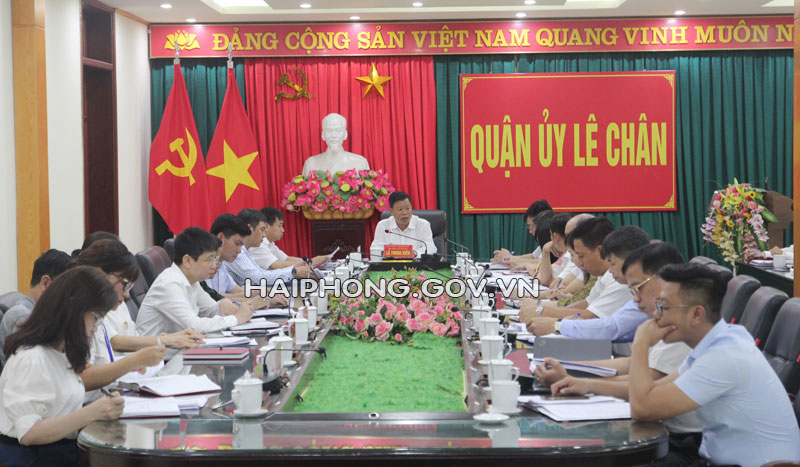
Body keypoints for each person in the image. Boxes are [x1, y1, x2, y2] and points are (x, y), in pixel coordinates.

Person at [628, 263, 800, 466]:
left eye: (664, 307)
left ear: (696, 314)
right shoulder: (722, 339)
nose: (656, 316)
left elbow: (643, 408)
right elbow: (655, 390)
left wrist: (640, 344)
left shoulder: (724, 357)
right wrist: (593, 385)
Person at [534, 243, 702, 443]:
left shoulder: (684, 322)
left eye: (638, 288)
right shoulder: (665, 315)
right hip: (663, 429)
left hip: (679, 439)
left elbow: (646, 392)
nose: (635, 300)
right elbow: (633, 364)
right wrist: (570, 371)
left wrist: (581, 382)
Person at [0, 267, 125, 465]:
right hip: (37, 458)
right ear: (73, 310)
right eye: (95, 318)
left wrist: (103, 409)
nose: (95, 328)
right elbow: (30, 433)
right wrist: (93, 412)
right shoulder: (31, 358)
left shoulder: (62, 352)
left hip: (62, 451)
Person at [71, 239, 203, 365]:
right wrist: (164, 341)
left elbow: (132, 336)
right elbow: (113, 345)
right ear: (100, 273)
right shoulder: (81, 312)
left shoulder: (116, 304)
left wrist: (169, 338)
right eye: (125, 283)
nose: (127, 294)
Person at [526, 226, 651, 337]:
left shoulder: (623, 285)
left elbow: (607, 326)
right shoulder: (621, 280)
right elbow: (586, 307)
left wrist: (552, 321)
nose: (610, 270)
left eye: (612, 263)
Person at [137, 227, 254, 341]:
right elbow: (193, 325)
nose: (214, 266)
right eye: (210, 260)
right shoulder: (169, 284)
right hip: (157, 352)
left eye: (215, 260)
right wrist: (236, 318)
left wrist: (226, 306)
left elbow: (210, 309)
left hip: (179, 348)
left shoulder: (192, 281)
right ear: (187, 261)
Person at [520, 217, 631, 320]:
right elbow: (586, 304)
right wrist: (542, 309)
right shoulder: (603, 275)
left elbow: (590, 315)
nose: (577, 261)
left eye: (580, 255)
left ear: (600, 251)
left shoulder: (618, 278)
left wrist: (541, 311)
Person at [0, 249, 71, 367]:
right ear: (45, 283)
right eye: (66, 290)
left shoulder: (37, 315)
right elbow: (30, 368)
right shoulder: (23, 316)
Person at [206, 213, 287, 308]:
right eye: (237, 244)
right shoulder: (202, 263)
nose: (239, 250)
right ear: (221, 238)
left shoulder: (221, 263)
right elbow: (210, 297)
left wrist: (263, 295)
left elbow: (237, 291)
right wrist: (254, 301)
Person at [227, 209, 311, 287]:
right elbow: (260, 278)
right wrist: (293, 271)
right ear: (250, 228)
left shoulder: (245, 250)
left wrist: (293, 268)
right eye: (262, 230)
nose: (264, 235)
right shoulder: (237, 251)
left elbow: (261, 273)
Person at [250, 207, 329, 270]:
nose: (283, 230)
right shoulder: (257, 243)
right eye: (280, 225)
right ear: (266, 226)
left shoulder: (269, 243)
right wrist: (310, 263)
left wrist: (311, 261)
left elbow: (286, 259)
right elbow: (276, 265)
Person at [370, 191, 436, 258]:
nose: (405, 213)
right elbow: (375, 250)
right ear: (391, 211)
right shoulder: (383, 226)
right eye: (400, 209)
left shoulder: (423, 225)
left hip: (415, 263)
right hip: (391, 264)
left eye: (407, 208)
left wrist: (415, 253)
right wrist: (384, 252)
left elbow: (431, 248)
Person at [302, 113, 370, 175]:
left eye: (338, 130)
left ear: (345, 134)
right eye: (329, 130)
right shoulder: (311, 164)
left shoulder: (360, 163)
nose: (333, 135)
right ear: (323, 135)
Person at [492, 199, 551, 265]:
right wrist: (509, 257)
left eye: (530, 226)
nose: (530, 231)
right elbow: (533, 256)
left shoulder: (551, 238)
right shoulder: (544, 240)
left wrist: (509, 258)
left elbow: (541, 263)